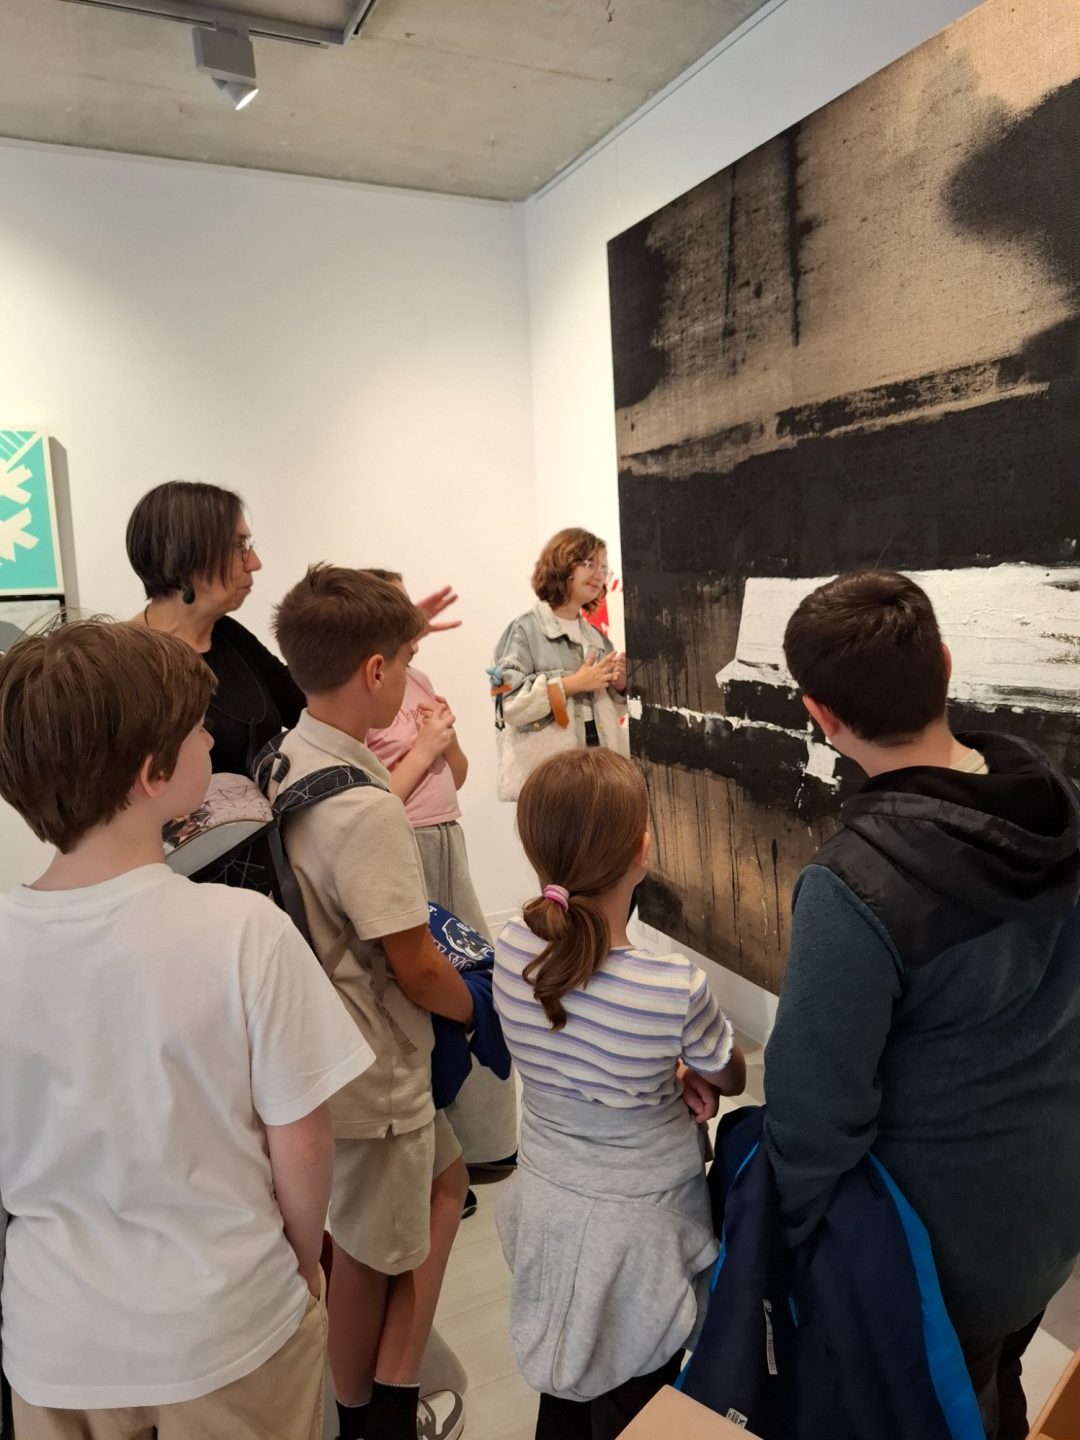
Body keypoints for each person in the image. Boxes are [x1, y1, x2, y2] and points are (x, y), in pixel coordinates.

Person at [0, 619, 373, 1440]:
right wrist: (303, 1262)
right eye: (197, 728)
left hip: (52, 1340)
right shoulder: (245, 932)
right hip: (227, 1324)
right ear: (152, 773)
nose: (211, 738)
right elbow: (303, 1144)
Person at [763, 570, 1080, 1440]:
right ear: (943, 661)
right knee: (995, 1385)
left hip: (933, 1262)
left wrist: (797, 1257)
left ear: (819, 715)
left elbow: (812, 1120)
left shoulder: (854, 885)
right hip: (1047, 1213)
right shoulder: (1055, 809)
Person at [270, 565, 475, 1440]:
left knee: (445, 1185)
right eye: (404, 660)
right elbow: (416, 966)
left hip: (328, 1041)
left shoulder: (288, 755)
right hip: (378, 1060)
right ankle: (366, 1416)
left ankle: (389, 1386)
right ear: (376, 670)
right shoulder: (366, 809)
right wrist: (474, 1008)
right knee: (365, 1250)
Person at [493, 748, 746, 1440]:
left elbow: (572, 1048)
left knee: (566, 1384)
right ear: (641, 851)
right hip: (641, 1228)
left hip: (548, 1200)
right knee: (638, 1399)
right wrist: (686, 1075)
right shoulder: (672, 988)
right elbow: (730, 1075)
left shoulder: (510, 947)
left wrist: (663, 1073)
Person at [127, 481, 461, 776]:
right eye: (239, 546)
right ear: (186, 556)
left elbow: (317, 697)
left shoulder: (228, 635)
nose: (254, 562)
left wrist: (387, 637)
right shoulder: (126, 660)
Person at [365, 569, 518, 1195]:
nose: (417, 618)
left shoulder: (418, 679)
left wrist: (445, 742)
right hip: (406, 847)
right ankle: (441, 1160)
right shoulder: (363, 695)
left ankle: (487, 1146)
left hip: (446, 840)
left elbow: (455, 774)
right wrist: (426, 748)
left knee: (480, 978)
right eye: (401, 605)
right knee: (431, 991)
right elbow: (371, 803)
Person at [491, 528, 629, 801]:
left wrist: (619, 686)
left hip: (598, 778)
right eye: (589, 564)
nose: (599, 574)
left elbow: (614, 710)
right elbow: (506, 705)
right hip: (551, 786)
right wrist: (571, 684)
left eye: (604, 568)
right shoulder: (525, 631)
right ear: (562, 563)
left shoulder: (597, 639)